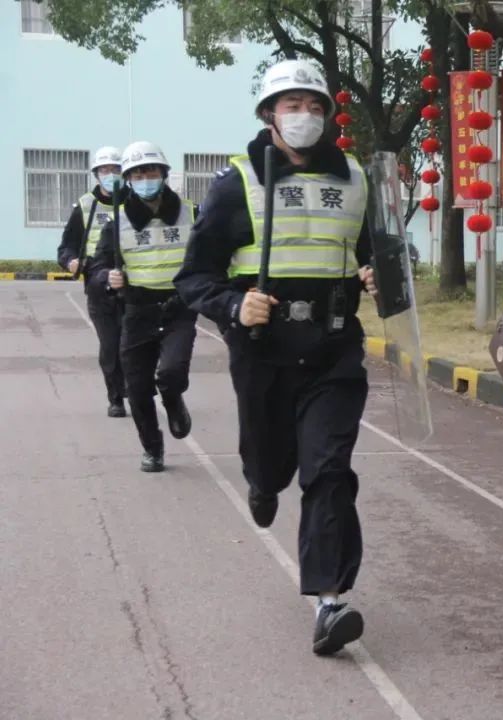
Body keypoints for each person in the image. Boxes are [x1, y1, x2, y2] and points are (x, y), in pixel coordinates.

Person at [174, 59, 378, 657]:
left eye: (315, 107)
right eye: (292, 105)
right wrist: (236, 307)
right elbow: (195, 276)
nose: (305, 117)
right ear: (269, 115)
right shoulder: (237, 181)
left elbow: (380, 259)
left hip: (335, 349)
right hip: (264, 352)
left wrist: (377, 276)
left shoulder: (358, 178)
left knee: (330, 470)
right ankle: (262, 483)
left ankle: (329, 601)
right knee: (271, 463)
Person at [90, 141, 198, 473]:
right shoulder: (118, 223)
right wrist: (108, 278)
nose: (145, 177)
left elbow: (212, 254)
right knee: (136, 389)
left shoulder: (193, 213)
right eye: (137, 173)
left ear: (164, 174)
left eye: (151, 170)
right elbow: (96, 269)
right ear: (129, 180)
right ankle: (153, 448)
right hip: (137, 312)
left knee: (171, 373)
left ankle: (173, 399)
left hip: (178, 308)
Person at [57, 146, 127, 418]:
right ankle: (116, 398)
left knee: (132, 344)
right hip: (99, 289)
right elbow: (66, 247)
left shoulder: (137, 203)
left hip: (134, 286)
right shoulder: (85, 205)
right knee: (110, 346)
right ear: (96, 174)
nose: (111, 174)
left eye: (116, 169)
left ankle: (136, 385)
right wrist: (71, 261)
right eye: (105, 170)